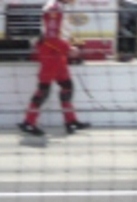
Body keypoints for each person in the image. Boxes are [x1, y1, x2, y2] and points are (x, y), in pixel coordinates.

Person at [17, 0, 90, 138]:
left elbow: (57, 33)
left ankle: (71, 121)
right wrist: (69, 48)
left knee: (67, 86)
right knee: (43, 89)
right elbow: (51, 38)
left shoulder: (58, 7)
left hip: (57, 54)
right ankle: (28, 122)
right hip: (50, 54)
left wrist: (68, 44)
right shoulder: (54, 9)